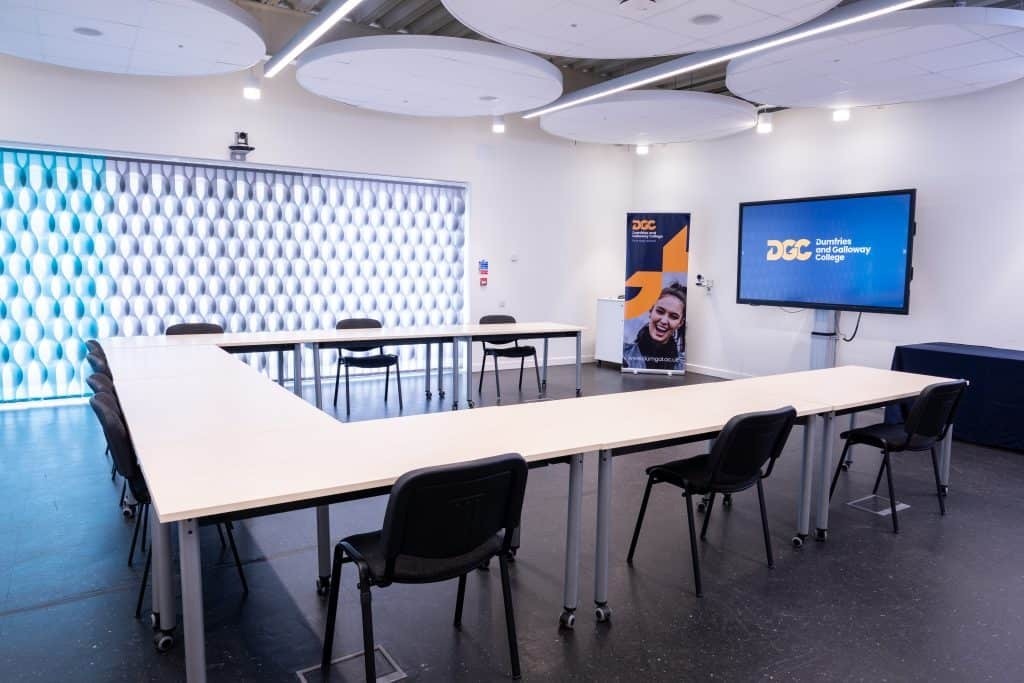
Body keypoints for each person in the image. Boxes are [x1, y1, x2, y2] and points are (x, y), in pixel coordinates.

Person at [623, 282, 686, 371]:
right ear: (651, 311)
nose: (664, 321)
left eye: (673, 317)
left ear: (680, 323)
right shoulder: (624, 355)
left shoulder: (681, 365)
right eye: (660, 311)